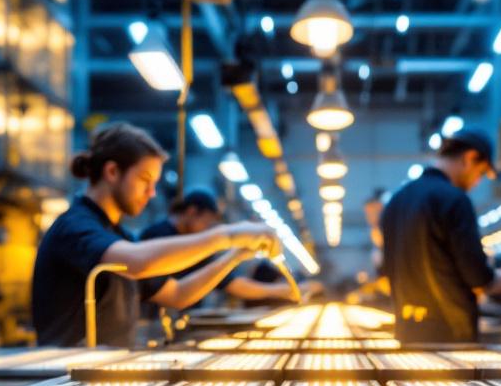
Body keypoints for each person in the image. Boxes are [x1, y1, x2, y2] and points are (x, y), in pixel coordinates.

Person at [31, 123, 279, 347]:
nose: (151, 193)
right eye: (144, 180)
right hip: (65, 382)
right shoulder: (75, 227)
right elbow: (137, 263)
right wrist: (228, 235)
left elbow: (178, 294)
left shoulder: (119, 236)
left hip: (102, 381)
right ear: (112, 172)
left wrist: (235, 256)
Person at [380, 128, 501, 343]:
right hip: (449, 332)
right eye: (480, 173)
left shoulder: (395, 202)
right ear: (470, 158)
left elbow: (386, 269)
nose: (477, 182)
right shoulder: (453, 200)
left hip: (407, 331)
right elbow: (476, 276)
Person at [141, 188, 315, 306]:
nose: (209, 229)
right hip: (150, 324)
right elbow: (174, 295)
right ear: (192, 212)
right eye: (208, 222)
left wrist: (287, 290)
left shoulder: (196, 243)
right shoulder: (156, 236)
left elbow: (232, 283)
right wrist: (229, 237)